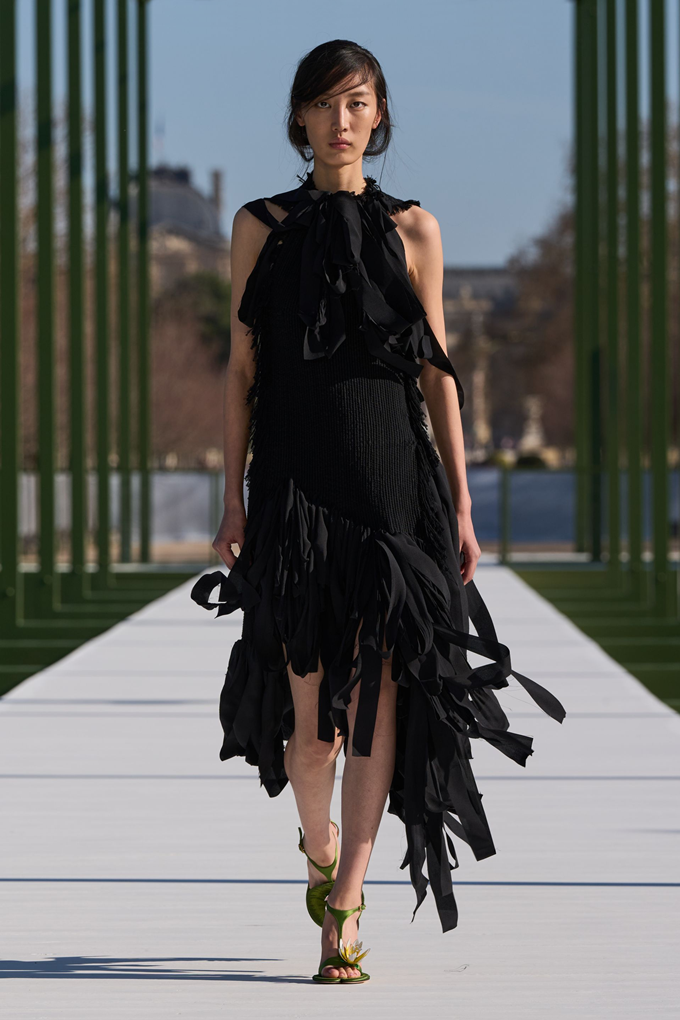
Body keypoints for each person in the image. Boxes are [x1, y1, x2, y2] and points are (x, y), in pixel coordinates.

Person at [191, 38, 566, 985]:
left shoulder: (415, 231)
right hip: (294, 493)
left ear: (381, 114)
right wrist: (233, 497)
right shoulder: (258, 227)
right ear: (299, 118)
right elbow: (242, 370)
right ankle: (319, 849)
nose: (342, 120)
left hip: (394, 493)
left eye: (358, 102)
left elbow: (439, 377)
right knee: (310, 731)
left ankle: (346, 906)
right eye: (325, 103)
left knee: (376, 701)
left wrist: (463, 506)